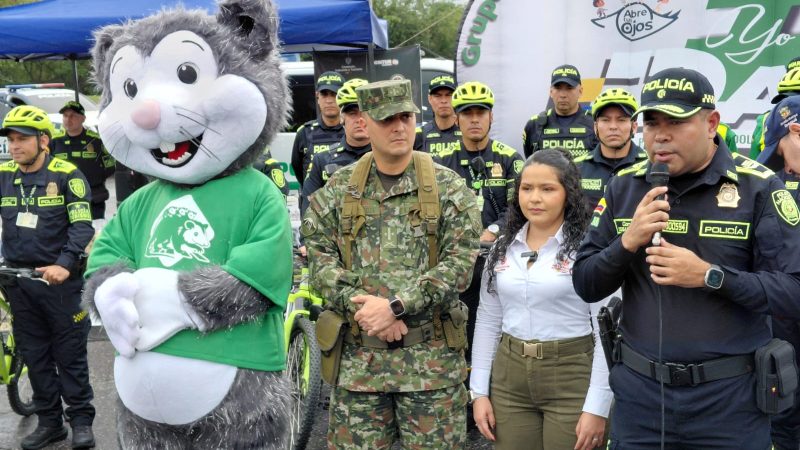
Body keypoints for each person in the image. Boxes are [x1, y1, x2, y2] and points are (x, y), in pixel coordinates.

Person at [572, 67, 800, 448]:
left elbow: (793, 292)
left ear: (711, 123)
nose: (660, 135)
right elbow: (585, 282)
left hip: (729, 405)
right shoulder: (625, 186)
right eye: (651, 122)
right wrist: (627, 242)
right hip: (642, 401)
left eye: (675, 122)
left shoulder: (759, 187)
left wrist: (712, 276)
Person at [303, 79, 481, 449]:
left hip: (430, 371)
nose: (399, 127)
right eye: (387, 119)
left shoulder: (447, 187)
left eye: (406, 117)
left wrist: (396, 308)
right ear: (365, 124)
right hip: (359, 371)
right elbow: (319, 258)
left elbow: (461, 263)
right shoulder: (339, 189)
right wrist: (368, 311)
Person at [471, 149, 611, 450]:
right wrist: (478, 391)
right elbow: (487, 319)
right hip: (510, 380)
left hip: (572, 374)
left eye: (547, 189)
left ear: (568, 194)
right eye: (527, 188)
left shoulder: (589, 250)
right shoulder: (501, 249)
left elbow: (607, 331)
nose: (534, 198)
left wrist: (597, 406)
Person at [0, 106, 96, 449]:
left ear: (43, 140)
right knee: (36, 355)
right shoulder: (3, 173)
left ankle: (82, 420)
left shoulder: (68, 174)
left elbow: (82, 226)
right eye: (10, 140)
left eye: (22, 139)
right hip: (18, 283)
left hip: (59, 283)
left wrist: (65, 263)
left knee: (69, 355)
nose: (14, 146)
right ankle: (50, 422)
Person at [433, 81, 523, 388]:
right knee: (462, 331)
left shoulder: (510, 159)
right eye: (467, 113)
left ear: (491, 117)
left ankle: (497, 392)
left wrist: (493, 230)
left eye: (480, 112)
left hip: (499, 261)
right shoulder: (440, 165)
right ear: (456, 119)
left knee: (499, 329)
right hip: (458, 267)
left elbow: (520, 208)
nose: (474, 119)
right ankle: (463, 393)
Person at [756, 95, 800, 450]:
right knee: (783, 418)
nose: (782, 167)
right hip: (784, 329)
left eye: (779, 152)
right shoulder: (771, 187)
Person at [301, 78, 371, 218]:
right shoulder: (322, 161)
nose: (359, 119)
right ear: (341, 118)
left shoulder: (389, 157)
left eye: (364, 112)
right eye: (352, 113)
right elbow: (309, 214)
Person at [574, 88, 647, 213]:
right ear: (595, 127)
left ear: (634, 127)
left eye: (621, 120)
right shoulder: (575, 167)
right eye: (605, 120)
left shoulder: (650, 165)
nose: (613, 127)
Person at [49, 101, 115, 227]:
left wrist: (94, 178)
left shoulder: (96, 141)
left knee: (94, 236)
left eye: (73, 116)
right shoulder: (55, 141)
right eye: (65, 116)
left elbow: (110, 166)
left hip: (93, 198)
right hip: (64, 199)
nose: (68, 119)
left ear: (83, 118)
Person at [522, 64, 597, 158]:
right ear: (551, 92)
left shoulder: (595, 122)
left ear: (580, 91)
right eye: (558, 88)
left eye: (569, 88)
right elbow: (531, 163)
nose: (563, 94)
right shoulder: (534, 125)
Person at [290, 70, 345, 187]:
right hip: (312, 201)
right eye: (324, 94)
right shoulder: (304, 132)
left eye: (334, 94)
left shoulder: (352, 131)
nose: (329, 100)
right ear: (317, 97)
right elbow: (298, 169)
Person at [750, 63, 800, 159]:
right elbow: (754, 165)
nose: (787, 107)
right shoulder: (765, 120)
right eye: (783, 101)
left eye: (794, 103)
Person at [414, 74, 461, 155]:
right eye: (438, 95)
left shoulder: (467, 133)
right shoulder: (418, 135)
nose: (443, 100)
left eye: (448, 95)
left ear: (456, 97)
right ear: (429, 99)